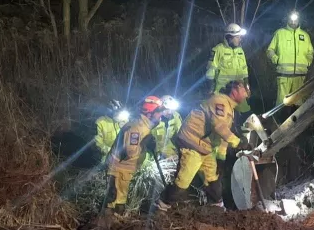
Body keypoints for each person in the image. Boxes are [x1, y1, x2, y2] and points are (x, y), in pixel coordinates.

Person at [157, 81, 251, 209]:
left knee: (213, 179)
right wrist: (238, 142)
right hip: (192, 143)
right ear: (234, 90)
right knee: (182, 182)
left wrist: (221, 159)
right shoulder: (219, 102)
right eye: (244, 90)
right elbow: (219, 127)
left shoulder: (229, 108)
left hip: (205, 148)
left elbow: (221, 137)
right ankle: (162, 205)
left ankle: (217, 208)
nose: (247, 94)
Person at [105, 96, 166, 214]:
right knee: (114, 201)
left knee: (119, 199)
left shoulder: (144, 126)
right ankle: (106, 223)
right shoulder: (136, 128)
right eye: (159, 112)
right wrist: (145, 142)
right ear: (149, 113)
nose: (161, 115)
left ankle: (115, 219)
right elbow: (130, 152)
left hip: (125, 169)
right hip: (118, 168)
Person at [266, 11, 314, 108]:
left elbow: (310, 52)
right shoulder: (280, 33)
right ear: (287, 19)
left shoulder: (305, 36)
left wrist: (308, 62)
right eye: (291, 19)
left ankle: (297, 123)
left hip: (300, 76)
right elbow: (270, 50)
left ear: (298, 20)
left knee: (298, 104)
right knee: (281, 104)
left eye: (295, 19)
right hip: (284, 75)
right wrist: (276, 59)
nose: (293, 21)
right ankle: (280, 122)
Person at [206, 23, 250, 114]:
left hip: (238, 92)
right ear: (230, 37)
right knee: (223, 118)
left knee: (244, 115)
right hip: (222, 92)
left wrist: (247, 87)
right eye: (237, 37)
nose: (240, 39)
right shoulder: (218, 50)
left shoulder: (240, 51)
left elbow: (244, 71)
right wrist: (210, 90)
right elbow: (210, 72)